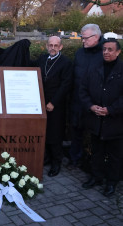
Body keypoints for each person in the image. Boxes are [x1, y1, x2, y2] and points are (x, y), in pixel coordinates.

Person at [80, 39, 123, 197]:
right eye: (104, 49)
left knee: (114, 155)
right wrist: (91, 106)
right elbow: (83, 90)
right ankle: (96, 177)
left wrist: (110, 110)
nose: (106, 52)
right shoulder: (94, 68)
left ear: (118, 52)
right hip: (96, 120)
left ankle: (112, 182)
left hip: (115, 122)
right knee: (96, 152)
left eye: (110, 50)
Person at [36, 36, 72, 177]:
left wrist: (53, 103)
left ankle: (56, 163)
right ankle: (47, 158)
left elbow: (66, 85)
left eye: (56, 45)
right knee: (44, 132)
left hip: (56, 105)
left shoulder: (66, 63)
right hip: (41, 103)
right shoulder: (42, 59)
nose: (53, 47)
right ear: (46, 46)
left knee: (55, 134)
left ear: (61, 47)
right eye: (50, 45)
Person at [69, 24, 104, 167]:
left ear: (96, 37)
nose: (83, 41)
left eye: (85, 38)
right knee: (76, 132)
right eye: (82, 38)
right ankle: (75, 159)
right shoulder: (79, 53)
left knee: (96, 136)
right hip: (78, 100)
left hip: (95, 103)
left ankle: (94, 165)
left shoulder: (105, 53)